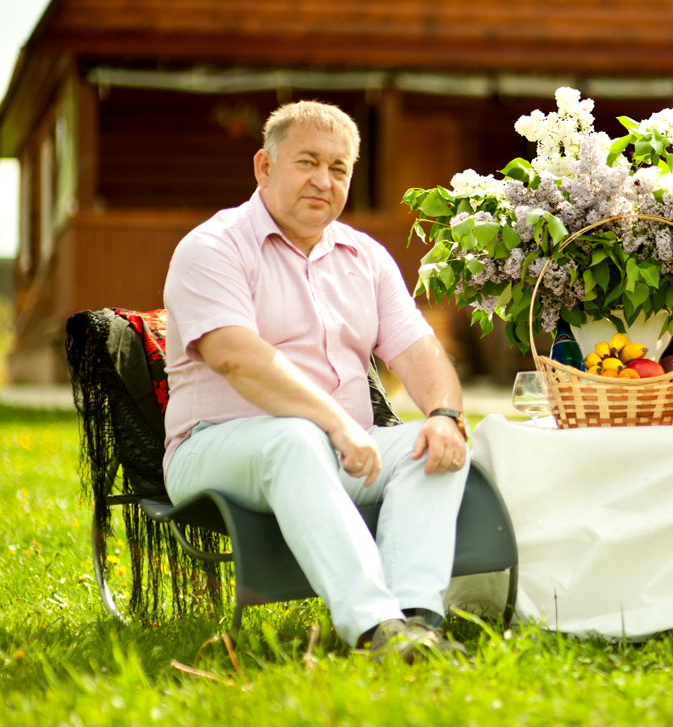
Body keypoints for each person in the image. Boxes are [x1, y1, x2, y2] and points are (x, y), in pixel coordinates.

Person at [162, 101, 470, 660]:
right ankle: (374, 628)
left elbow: (419, 349)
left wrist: (445, 416)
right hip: (216, 448)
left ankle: (418, 618)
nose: (323, 181)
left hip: (337, 449)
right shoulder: (213, 246)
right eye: (307, 162)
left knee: (432, 446)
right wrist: (336, 425)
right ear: (264, 166)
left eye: (338, 168)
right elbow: (236, 356)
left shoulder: (365, 256)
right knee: (295, 437)